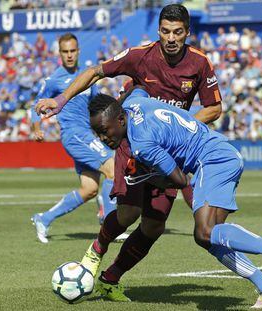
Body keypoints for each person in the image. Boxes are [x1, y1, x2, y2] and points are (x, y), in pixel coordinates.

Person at [35, 4, 222, 300]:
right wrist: (61, 99)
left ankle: (111, 278)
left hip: (169, 154)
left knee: (154, 225)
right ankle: (94, 255)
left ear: (187, 33)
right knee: (128, 213)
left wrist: (179, 126)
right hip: (133, 147)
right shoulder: (140, 55)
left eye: (177, 32)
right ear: (158, 31)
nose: (171, 38)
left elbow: (214, 107)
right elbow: (96, 71)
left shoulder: (200, 63)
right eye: (165, 31)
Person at [88, 87, 262, 308]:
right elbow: (139, 90)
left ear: (121, 119)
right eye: (98, 133)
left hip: (211, 160)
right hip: (222, 152)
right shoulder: (135, 103)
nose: (104, 138)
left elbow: (180, 181)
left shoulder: (143, 145)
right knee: (206, 238)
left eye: (105, 130)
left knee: (205, 231)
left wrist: (146, 176)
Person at [30, 33, 128, 243]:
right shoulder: (54, 80)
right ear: (59, 53)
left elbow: (96, 106)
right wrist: (37, 128)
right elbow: (35, 105)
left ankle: (43, 219)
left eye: (72, 51)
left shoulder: (86, 78)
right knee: (114, 168)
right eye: (65, 52)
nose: (69, 55)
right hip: (74, 135)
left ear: (78, 51)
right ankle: (110, 224)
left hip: (86, 135)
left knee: (90, 189)